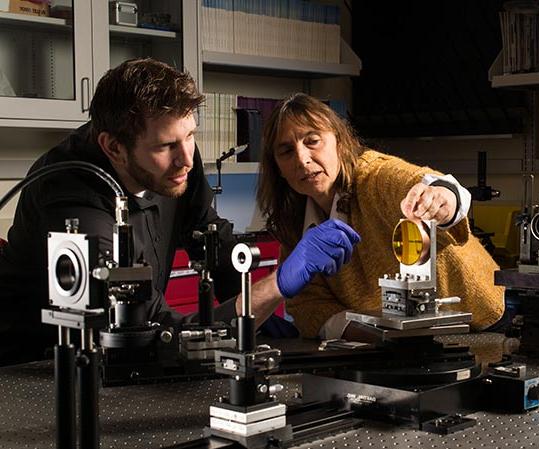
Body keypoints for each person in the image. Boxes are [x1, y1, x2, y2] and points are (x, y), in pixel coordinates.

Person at [0, 59, 357, 365]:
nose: (186, 159)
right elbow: (151, 332)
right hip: (39, 368)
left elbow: (211, 236)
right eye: (167, 146)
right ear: (113, 147)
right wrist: (273, 287)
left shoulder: (178, 155)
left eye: (190, 136)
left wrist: (255, 313)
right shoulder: (73, 198)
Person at [255, 93, 506, 339]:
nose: (302, 159)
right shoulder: (294, 222)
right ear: (277, 167)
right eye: (286, 151)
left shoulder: (374, 176)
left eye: (312, 141)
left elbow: (419, 181)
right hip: (400, 343)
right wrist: (377, 333)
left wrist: (442, 197)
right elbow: (309, 306)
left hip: (484, 323)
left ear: (340, 143)